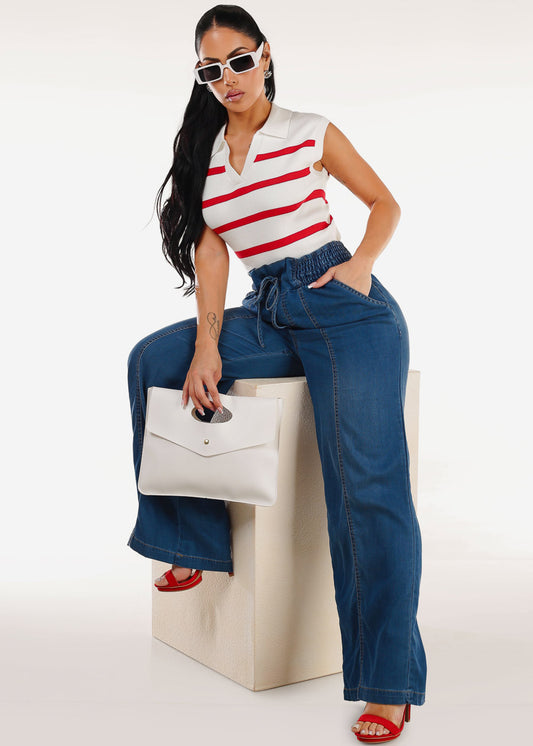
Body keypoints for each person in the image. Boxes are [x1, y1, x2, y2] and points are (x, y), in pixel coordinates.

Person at [126, 4, 427, 742]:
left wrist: (360, 265)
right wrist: (207, 344)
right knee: (154, 360)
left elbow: (383, 202)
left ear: (264, 55)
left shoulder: (306, 129)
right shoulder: (205, 155)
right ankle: (195, 543)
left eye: (238, 60)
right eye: (210, 68)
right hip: (269, 307)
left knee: (366, 488)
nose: (227, 77)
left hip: (345, 306)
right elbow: (212, 252)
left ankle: (386, 683)